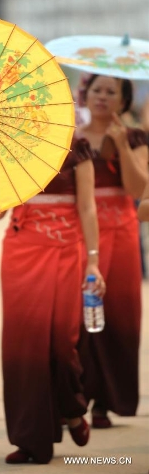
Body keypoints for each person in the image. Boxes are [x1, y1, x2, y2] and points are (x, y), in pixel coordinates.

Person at [1, 135, 105, 464]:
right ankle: (30, 439)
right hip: (22, 250)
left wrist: (92, 261)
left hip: (67, 250)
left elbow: (87, 206)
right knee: (23, 345)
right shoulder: (7, 142)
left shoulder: (78, 147)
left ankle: (72, 409)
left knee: (63, 341)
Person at [76, 74, 148, 428]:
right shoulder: (71, 139)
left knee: (118, 315)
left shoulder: (135, 137)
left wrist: (121, 146)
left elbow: (139, 189)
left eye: (111, 91)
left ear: (123, 100)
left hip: (120, 234)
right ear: (85, 95)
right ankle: (74, 397)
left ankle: (106, 400)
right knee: (76, 318)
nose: (102, 97)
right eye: (96, 90)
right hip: (79, 235)